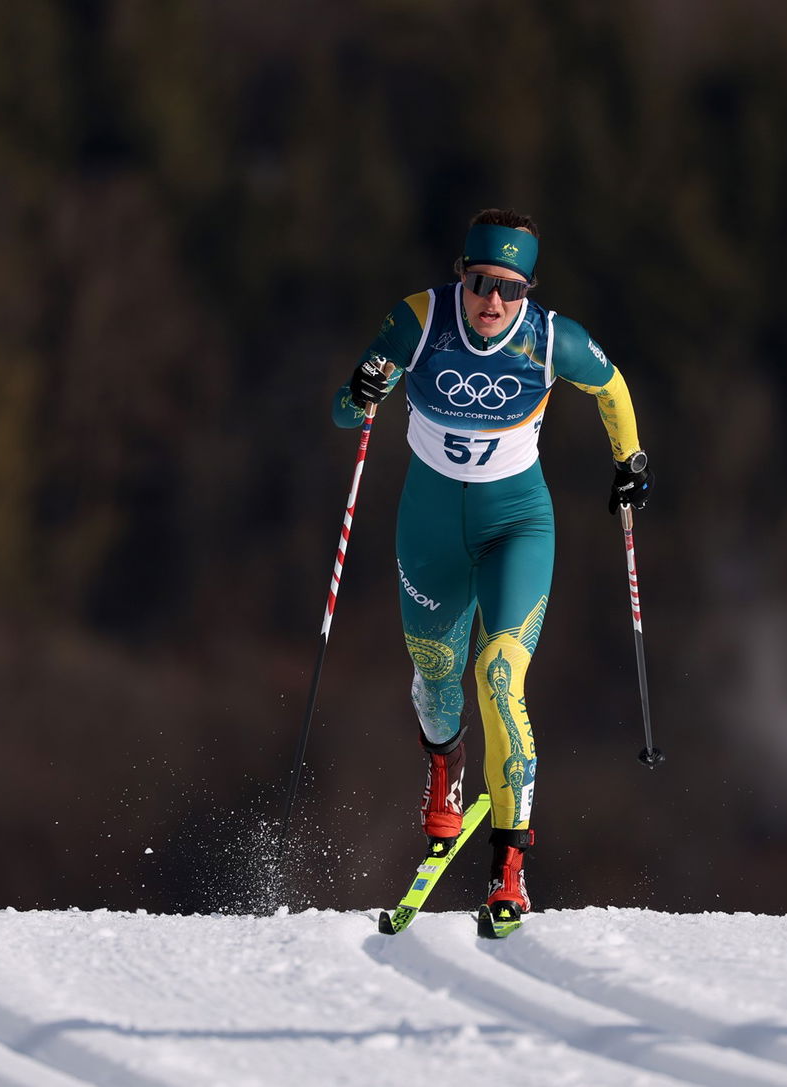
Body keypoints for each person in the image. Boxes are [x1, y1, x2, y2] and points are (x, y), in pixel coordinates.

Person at [333, 208, 652, 927]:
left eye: (511, 288)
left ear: (528, 291)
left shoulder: (551, 340)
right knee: (437, 683)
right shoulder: (420, 321)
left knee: (499, 677)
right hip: (430, 530)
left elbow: (611, 386)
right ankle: (445, 764)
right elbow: (344, 412)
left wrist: (629, 460)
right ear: (462, 276)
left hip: (517, 525)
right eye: (481, 283)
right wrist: (361, 394)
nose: (494, 301)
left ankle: (509, 870)